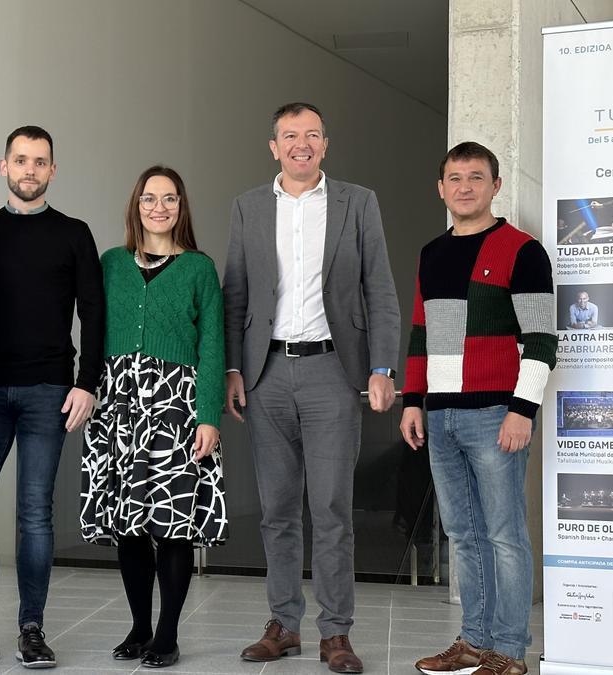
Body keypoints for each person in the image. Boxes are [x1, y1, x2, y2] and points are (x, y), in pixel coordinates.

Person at [223, 102, 400, 674]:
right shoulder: (248, 206)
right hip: (266, 373)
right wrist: (233, 369)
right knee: (277, 509)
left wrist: (383, 367)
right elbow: (236, 296)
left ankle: (336, 633)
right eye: (290, 136)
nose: (302, 144)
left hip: (332, 371)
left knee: (330, 508)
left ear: (326, 144)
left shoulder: (358, 202)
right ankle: (284, 623)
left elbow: (381, 290)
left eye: (312, 135)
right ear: (273, 146)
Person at [0, 126, 103, 670]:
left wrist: (87, 382)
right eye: (21, 160)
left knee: (34, 513)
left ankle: (32, 628)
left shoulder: (74, 233)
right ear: (3, 167)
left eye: (40, 162)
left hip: (49, 391)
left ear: (53, 171)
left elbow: (93, 313)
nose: (30, 169)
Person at [401, 142, 556, 675]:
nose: (463, 186)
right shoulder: (431, 253)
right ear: (440, 189)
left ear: (495, 186)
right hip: (440, 416)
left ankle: (509, 652)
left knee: (504, 535)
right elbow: (420, 334)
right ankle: (472, 642)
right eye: (453, 177)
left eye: (475, 176)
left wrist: (522, 410)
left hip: (496, 413)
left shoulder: (522, 249)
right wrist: (413, 402)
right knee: (462, 535)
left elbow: (541, 340)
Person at [80, 166, 226, 669]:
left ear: (181, 207)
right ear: (135, 205)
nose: (158, 207)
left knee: (174, 524)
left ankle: (166, 633)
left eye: (169, 198)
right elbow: (93, 331)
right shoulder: (111, 264)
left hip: (176, 406)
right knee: (130, 525)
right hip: (119, 403)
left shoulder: (200, 269)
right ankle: (139, 625)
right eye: (149, 198)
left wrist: (209, 416)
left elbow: (212, 347)